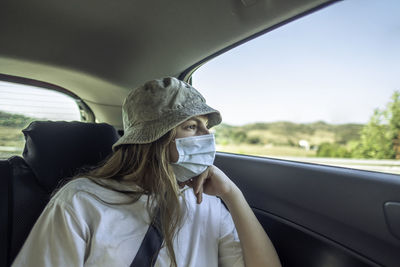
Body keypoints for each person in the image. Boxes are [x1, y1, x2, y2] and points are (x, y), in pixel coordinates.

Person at [12, 77, 281, 267]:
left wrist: (233, 195)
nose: (207, 136)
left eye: (207, 126)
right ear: (152, 139)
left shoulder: (207, 203)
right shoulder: (80, 202)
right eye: (192, 126)